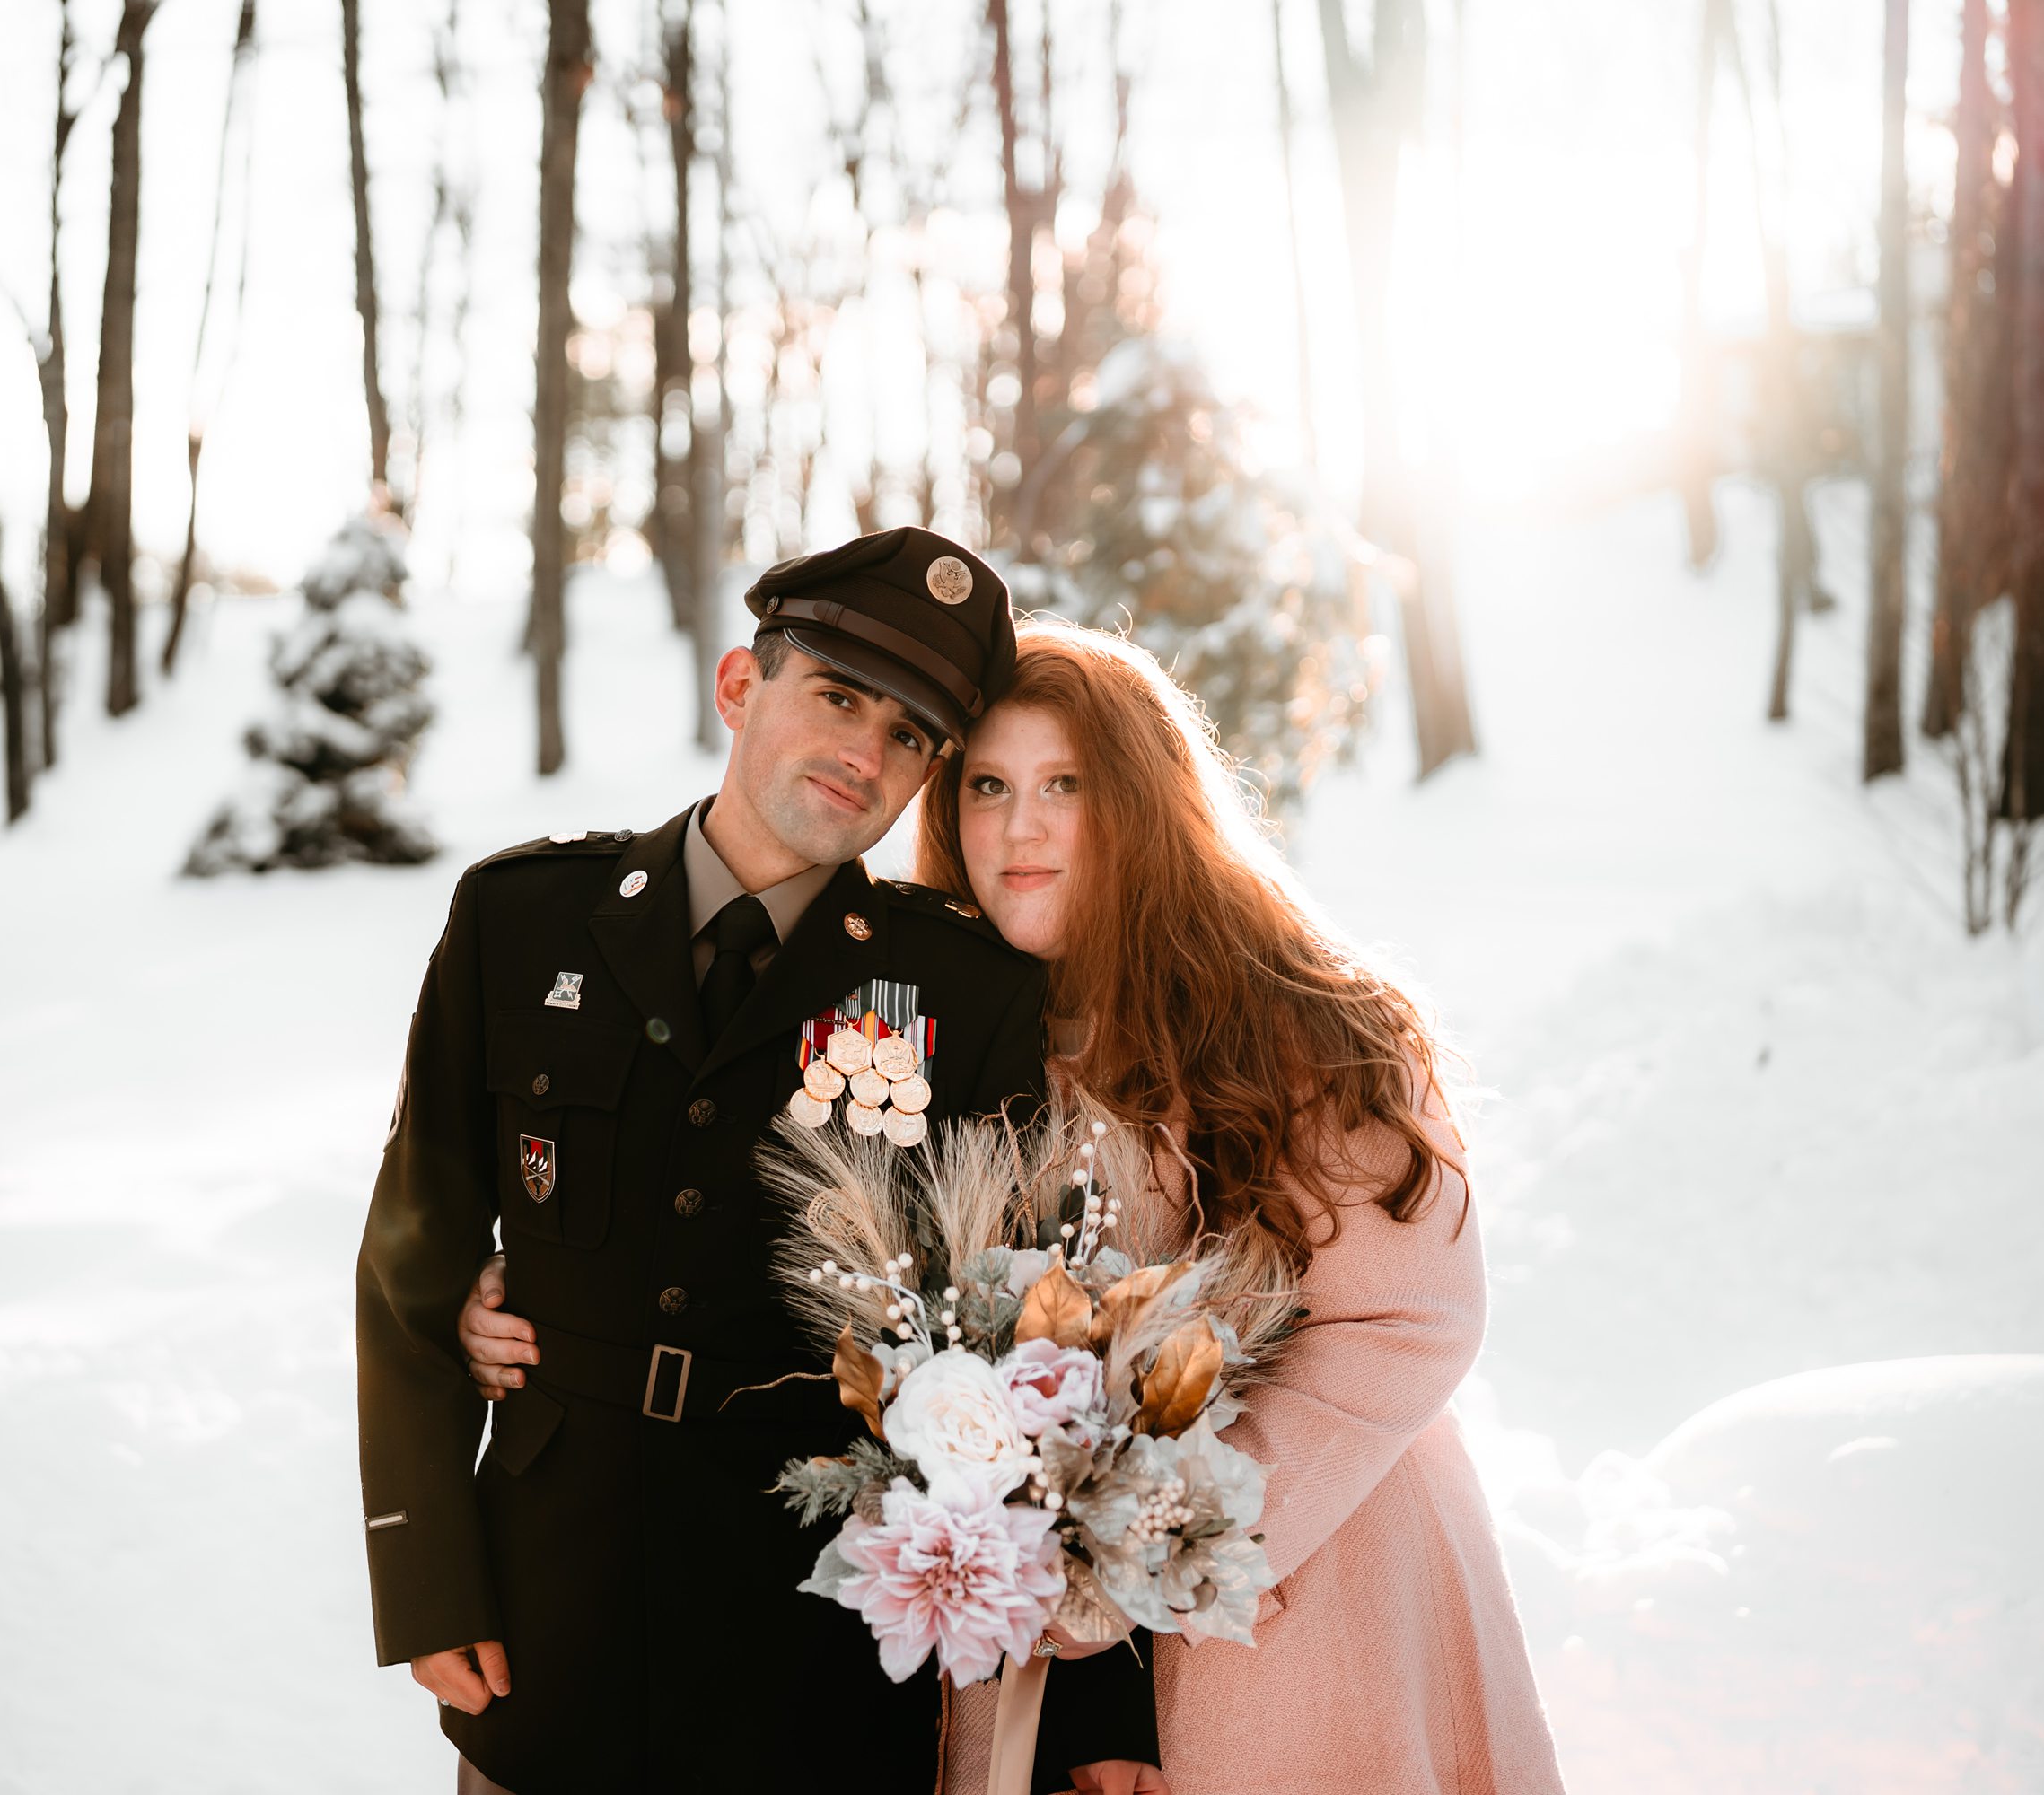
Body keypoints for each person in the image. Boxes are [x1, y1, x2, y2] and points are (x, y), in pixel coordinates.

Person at [469, 622, 1570, 1795]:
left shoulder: (1295, 1014)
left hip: (1290, 1596)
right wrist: (532, 1298)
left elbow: (1405, 1320)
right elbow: (786, 1240)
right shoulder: (918, 1020)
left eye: (1066, 786)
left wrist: (1143, 1548)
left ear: (1145, 804)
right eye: (987, 787)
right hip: (1025, 1628)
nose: (1019, 828)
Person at [358, 530, 1159, 1795]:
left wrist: (1098, 1703)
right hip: (548, 1620)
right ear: (740, 686)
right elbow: (412, 1261)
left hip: (817, 1660)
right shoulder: (521, 921)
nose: (865, 752)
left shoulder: (966, 989)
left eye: (910, 737)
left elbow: (1034, 1347)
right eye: (837, 696)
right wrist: (424, 1575)